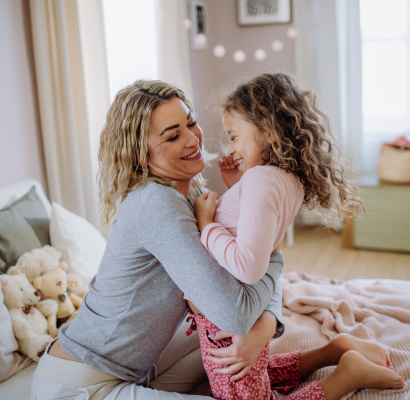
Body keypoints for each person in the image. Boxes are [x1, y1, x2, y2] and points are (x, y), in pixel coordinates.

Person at [29, 79, 287, 399]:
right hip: (80, 383)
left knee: (230, 352)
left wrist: (265, 326)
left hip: (141, 367)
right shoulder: (156, 203)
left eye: (190, 122)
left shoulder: (195, 194)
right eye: (173, 135)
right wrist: (275, 260)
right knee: (232, 340)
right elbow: (238, 308)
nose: (193, 139)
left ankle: (333, 355)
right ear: (140, 154)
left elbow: (249, 262)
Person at [188, 73, 405, 400]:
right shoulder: (285, 179)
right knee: (259, 370)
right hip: (239, 307)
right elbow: (255, 231)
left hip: (229, 312)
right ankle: (334, 351)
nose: (232, 147)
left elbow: (248, 266)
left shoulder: (262, 179)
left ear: (266, 128)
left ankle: (347, 376)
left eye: (235, 136)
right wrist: (237, 184)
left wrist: (206, 226)